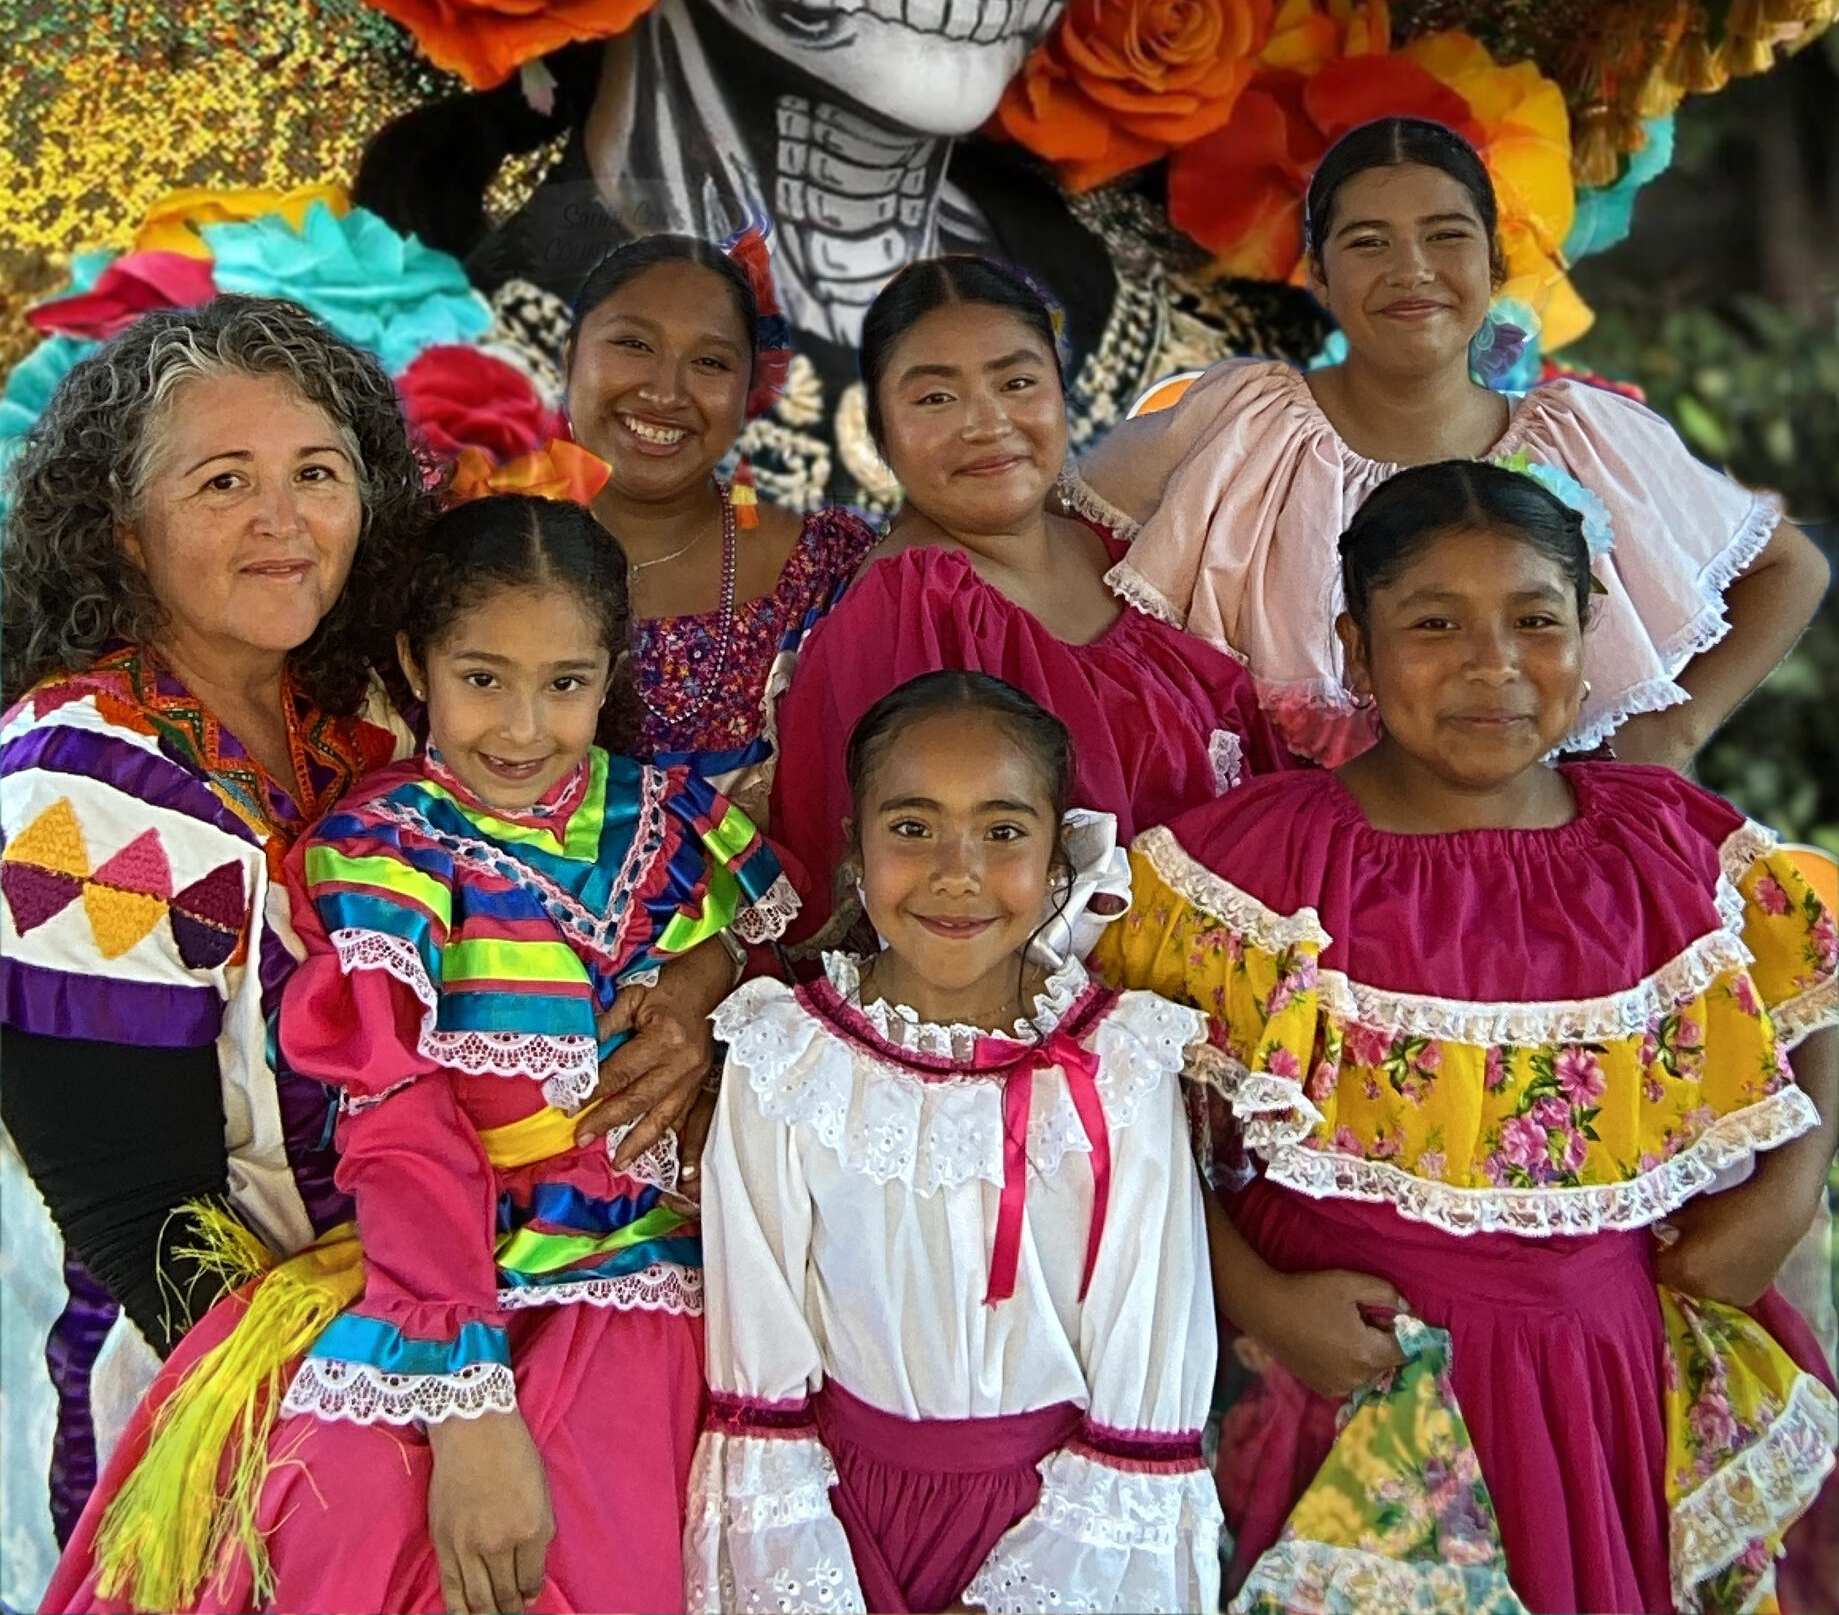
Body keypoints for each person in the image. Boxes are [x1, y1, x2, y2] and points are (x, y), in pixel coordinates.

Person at [1092, 462, 1838, 1615]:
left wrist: (1790, 1186)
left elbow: (1820, 976)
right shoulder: (1245, 872)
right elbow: (1105, 1106)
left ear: (1590, 630)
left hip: (1606, 1376)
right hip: (1343, 1381)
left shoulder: (1664, 847)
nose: (1492, 665)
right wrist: (1256, 1295)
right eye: (1434, 624)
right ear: (1354, 645)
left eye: (1535, 621)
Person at [46, 491, 797, 1615]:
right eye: (481, 677)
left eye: (567, 683)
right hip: (456, 1272)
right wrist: (467, 1392)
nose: (522, 729)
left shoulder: (676, 822)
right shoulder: (387, 853)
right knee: (371, 1522)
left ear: (610, 669)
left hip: (682, 1274)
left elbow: (779, 970)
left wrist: (711, 975)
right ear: (415, 660)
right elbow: (404, 1127)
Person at [0, 299, 424, 1589]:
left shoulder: (361, 727)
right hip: (203, 1409)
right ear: (124, 528)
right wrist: (363, 1419)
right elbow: (141, 1220)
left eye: (316, 473)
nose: (282, 521)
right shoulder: (81, 793)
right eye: (223, 480)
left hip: (401, 1350)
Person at [688, 669, 1221, 1615]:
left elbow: (1149, 1368)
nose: (955, 870)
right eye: (911, 826)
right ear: (855, 848)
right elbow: (758, 1368)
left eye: (1004, 832)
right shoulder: (784, 1061)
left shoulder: (1121, 1071)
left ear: (1060, 860)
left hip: (1063, 1529)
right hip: (838, 1529)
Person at [1077, 116, 1830, 770]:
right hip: (1282, 889)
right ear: (1319, 277)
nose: (1411, 270)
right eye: (1368, 242)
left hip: (1538, 882)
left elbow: (1788, 567)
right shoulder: (1238, 429)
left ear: (1492, 264)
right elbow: (1043, 537)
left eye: (1445, 236)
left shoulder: (1587, 441)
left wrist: (1675, 730)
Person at [769, 255, 1285, 938]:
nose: (986, 423)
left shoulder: (1118, 550)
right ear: (879, 434)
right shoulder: (911, 609)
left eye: (1016, 382)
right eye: (934, 399)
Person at [561, 232, 872, 787]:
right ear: (568, 357)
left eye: (709, 361)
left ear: (750, 386)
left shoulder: (824, 572)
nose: (664, 392)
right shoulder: (475, 547)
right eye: (634, 344)